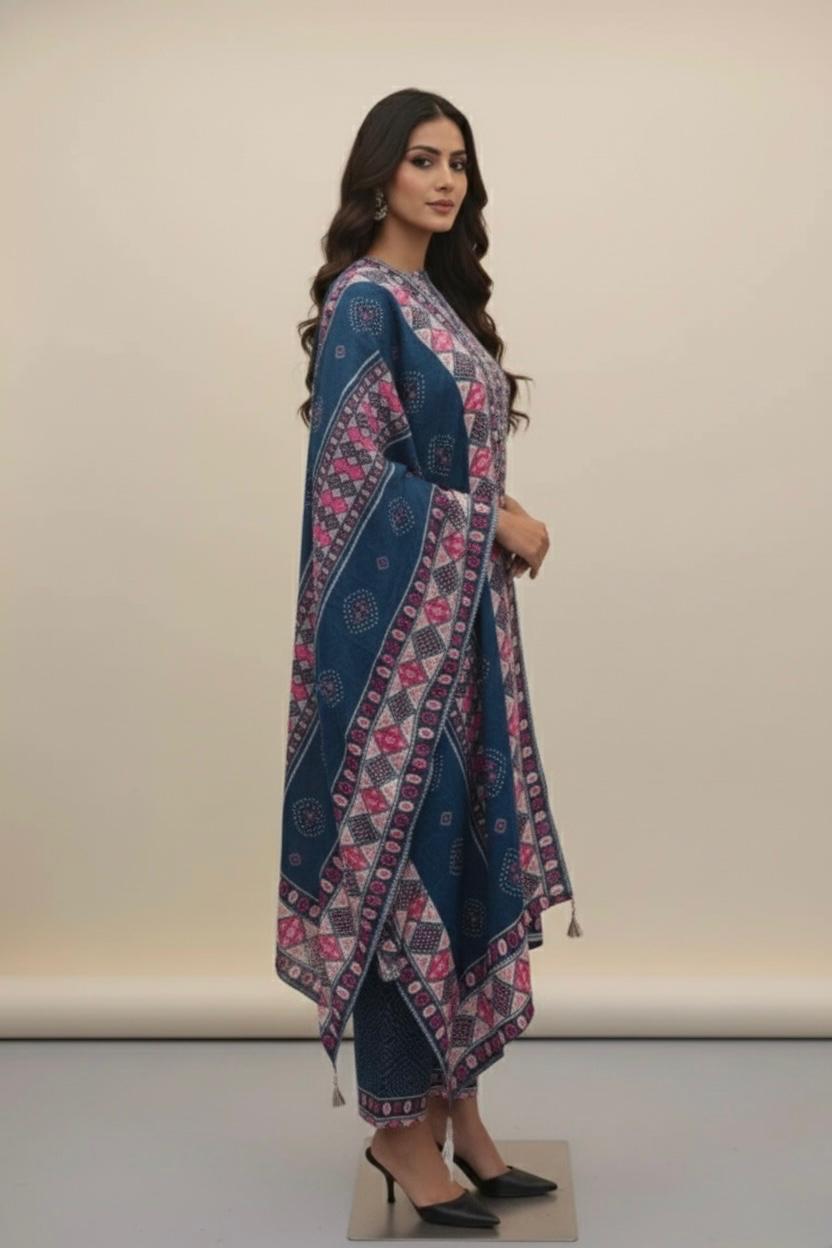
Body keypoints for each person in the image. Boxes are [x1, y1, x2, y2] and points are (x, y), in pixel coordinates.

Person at [275, 87, 582, 1228]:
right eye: (421, 159)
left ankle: (461, 1113)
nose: (445, 180)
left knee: (458, 858)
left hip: (461, 637)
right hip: (393, 666)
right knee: (405, 865)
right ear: (379, 175)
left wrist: (500, 510)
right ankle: (401, 1135)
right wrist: (491, 522)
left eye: (458, 161)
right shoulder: (365, 301)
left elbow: (446, 457)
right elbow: (354, 485)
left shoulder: (434, 300)